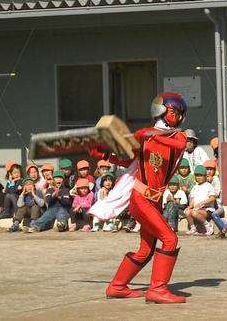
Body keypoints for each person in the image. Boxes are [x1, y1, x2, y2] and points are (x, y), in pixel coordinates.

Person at [89, 91, 189, 303]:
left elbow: (181, 145)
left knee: (145, 249)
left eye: (179, 113)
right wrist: (104, 154)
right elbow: (130, 161)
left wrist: (148, 135)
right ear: (164, 110)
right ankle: (158, 289)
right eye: (175, 111)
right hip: (141, 198)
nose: (178, 116)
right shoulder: (147, 136)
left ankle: (117, 286)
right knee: (170, 239)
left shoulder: (177, 135)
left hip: (155, 200)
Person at [184, 165, 217, 236]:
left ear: (205, 176)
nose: (199, 177)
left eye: (201, 175)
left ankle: (208, 225)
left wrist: (202, 203)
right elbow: (192, 199)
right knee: (187, 211)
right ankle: (193, 227)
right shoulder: (195, 187)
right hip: (196, 209)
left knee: (194, 212)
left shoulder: (208, 186)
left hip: (207, 209)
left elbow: (212, 198)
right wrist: (190, 206)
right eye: (197, 176)